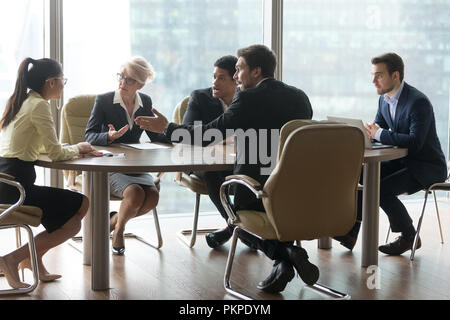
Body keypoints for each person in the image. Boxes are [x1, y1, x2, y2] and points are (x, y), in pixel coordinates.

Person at [135, 44, 319, 293]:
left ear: (256, 71)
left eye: (239, 69)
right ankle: (283, 258)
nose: (235, 76)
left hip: (254, 189)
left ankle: (286, 253)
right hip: (292, 187)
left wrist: (167, 129)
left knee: (235, 218)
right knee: (221, 186)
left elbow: (208, 135)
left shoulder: (248, 98)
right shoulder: (300, 96)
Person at [0, 57, 100, 289]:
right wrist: (79, 147)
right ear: (51, 82)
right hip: (17, 190)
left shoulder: (23, 101)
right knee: (81, 206)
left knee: (74, 212)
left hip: (8, 183)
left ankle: (31, 260)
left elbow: (43, 147)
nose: (64, 85)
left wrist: (70, 149)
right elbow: (54, 153)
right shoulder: (38, 105)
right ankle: (13, 259)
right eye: (62, 80)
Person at [334, 53, 447, 256]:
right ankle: (350, 231)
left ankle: (409, 236)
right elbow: (380, 130)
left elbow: (415, 142)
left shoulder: (418, 102)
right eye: (373, 75)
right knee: (358, 174)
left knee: (379, 190)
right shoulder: (383, 100)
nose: (373, 80)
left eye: (379, 75)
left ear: (395, 75)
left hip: (426, 166)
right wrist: (368, 133)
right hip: (402, 162)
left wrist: (379, 133)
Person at [85, 56, 170, 255]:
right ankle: (119, 231)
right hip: (110, 165)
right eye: (121, 77)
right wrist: (109, 136)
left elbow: (154, 135)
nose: (122, 82)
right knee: (135, 194)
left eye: (129, 80)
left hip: (135, 164)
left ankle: (113, 221)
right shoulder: (105, 100)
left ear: (140, 84)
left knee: (152, 197)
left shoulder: (145, 102)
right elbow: (89, 135)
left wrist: (168, 129)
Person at [182, 55, 239, 249]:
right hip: (201, 162)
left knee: (254, 169)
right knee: (212, 171)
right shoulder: (200, 97)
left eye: (221, 78)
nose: (214, 82)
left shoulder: (246, 100)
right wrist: (225, 138)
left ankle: (234, 229)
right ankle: (238, 225)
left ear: (236, 79)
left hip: (235, 161)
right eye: (213, 76)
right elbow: (187, 132)